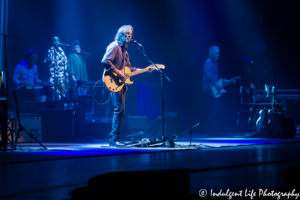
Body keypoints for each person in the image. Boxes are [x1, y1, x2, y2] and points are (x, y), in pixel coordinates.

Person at [102, 25, 154, 146]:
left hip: (120, 83)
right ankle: (114, 139)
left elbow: (129, 68)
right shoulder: (114, 46)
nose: (129, 35)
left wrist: (145, 69)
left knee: (121, 109)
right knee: (119, 108)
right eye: (126, 33)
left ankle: (115, 138)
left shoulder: (124, 50)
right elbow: (105, 61)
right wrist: (119, 73)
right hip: (113, 80)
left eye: (130, 34)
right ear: (120, 34)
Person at [203, 46, 235, 137]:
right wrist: (217, 85)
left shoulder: (215, 64)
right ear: (211, 53)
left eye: (219, 53)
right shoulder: (208, 62)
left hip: (214, 89)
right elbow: (209, 76)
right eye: (216, 53)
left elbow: (218, 78)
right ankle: (210, 132)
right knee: (213, 110)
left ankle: (216, 130)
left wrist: (229, 80)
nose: (218, 55)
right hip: (209, 90)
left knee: (218, 110)